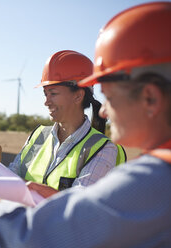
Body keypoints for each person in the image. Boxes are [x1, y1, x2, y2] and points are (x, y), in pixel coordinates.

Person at [0, 2, 171, 247]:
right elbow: (11, 177)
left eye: (112, 97)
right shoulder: (39, 134)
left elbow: (34, 236)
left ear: (150, 98)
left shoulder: (153, 182)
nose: (104, 109)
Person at [9, 50, 125, 192]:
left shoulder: (103, 149)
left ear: (78, 96)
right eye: (45, 94)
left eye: (53, 93)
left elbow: (78, 206)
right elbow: (10, 176)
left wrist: (27, 188)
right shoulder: (38, 136)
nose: (46, 102)